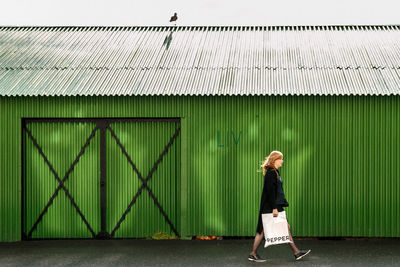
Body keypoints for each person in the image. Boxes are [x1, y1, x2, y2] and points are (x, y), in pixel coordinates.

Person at [248, 150, 311, 262]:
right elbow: (270, 191)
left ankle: (296, 252)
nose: (282, 161)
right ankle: (253, 253)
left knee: (284, 227)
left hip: (274, 205)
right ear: (275, 160)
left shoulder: (275, 172)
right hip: (270, 206)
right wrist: (274, 208)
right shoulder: (271, 172)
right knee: (262, 230)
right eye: (280, 159)